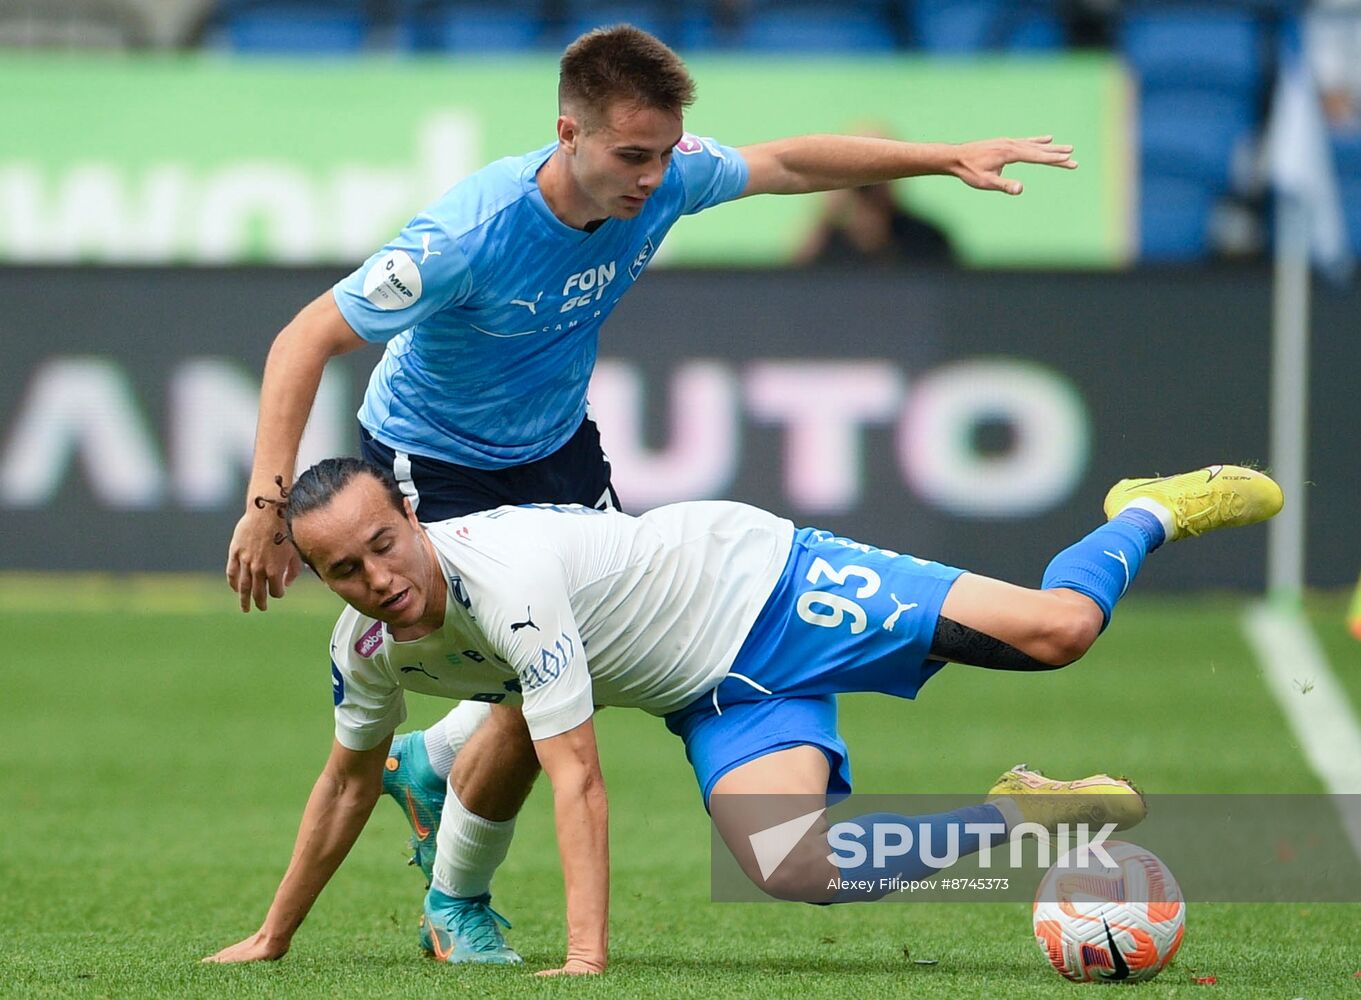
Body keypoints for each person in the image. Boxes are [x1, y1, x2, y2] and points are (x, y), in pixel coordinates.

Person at [221, 23, 1080, 959]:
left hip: (553, 444)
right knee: (528, 658)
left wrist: (941, 157)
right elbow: (304, 338)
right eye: (631, 155)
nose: (651, 177)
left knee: (563, 634)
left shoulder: (666, 175)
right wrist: (267, 507)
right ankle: (454, 901)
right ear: (567, 133)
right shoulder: (466, 237)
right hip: (439, 456)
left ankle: (430, 761)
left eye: (664, 153)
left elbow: (786, 161)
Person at [205, 458, 1282, 974]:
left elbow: (574, 772)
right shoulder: (365, 647)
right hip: (707, 690)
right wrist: (272, 936)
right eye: (342, 570)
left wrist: (585, 957)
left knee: (1054, 633)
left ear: (409, 511)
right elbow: (346, 778)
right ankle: (1014, 814)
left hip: (764, 583)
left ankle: (1141, 510)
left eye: (384, 543)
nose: (376, 577)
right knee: (792, 868)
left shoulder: (508, 576)